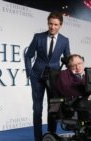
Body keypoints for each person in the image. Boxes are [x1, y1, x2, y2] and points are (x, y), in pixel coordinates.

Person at [24, 12, 71, 141]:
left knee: (53, 109)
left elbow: (68, 60)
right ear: (47, 23)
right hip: (37, 77)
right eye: (50, 23)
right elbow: (28, 56)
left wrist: (69, 76)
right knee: (37, 109)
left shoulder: (64, 40)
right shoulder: (38, 37)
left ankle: (51, 137)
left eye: (56, 24)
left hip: (54, 78)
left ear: (60, 25)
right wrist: (29, 73)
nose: (52, 27)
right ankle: (38, 139)